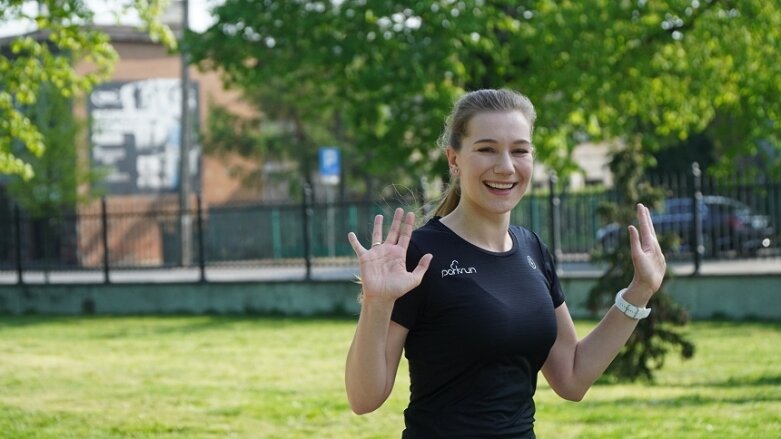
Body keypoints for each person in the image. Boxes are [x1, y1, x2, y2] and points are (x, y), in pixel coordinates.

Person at [344, 88, 666, 438]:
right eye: (486, 149)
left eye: (519, 150)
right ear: (454, 159)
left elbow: (572, 377)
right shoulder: (419, 254)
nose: (506, 166)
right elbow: (364, 398)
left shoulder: (533, 249)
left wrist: (640, 291)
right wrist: (377, 303)